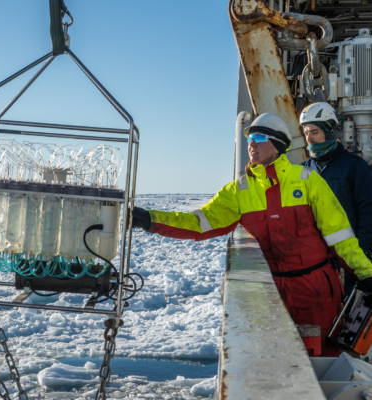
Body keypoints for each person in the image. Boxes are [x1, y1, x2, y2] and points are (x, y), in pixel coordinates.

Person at [131, 113, 372, 357]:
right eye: (249, 138)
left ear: (277, 145)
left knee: (323, 359)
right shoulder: (239, 190)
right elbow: (199, 223)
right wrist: (151, 220)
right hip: (269, 294)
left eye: (258, 137)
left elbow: (341, 238)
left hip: (315, 291)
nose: (251, 144)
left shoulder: (308, 181)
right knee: (271, 359)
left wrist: (366, 273)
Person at [300, 102, 372, 299]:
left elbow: (367, 210)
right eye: (306, 133)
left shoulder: (354, 165)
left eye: (314, 131)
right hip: (315, 259)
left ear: (328, 131)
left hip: (348, 257)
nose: (309, 138)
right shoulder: (303, 170)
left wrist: (364, 251)